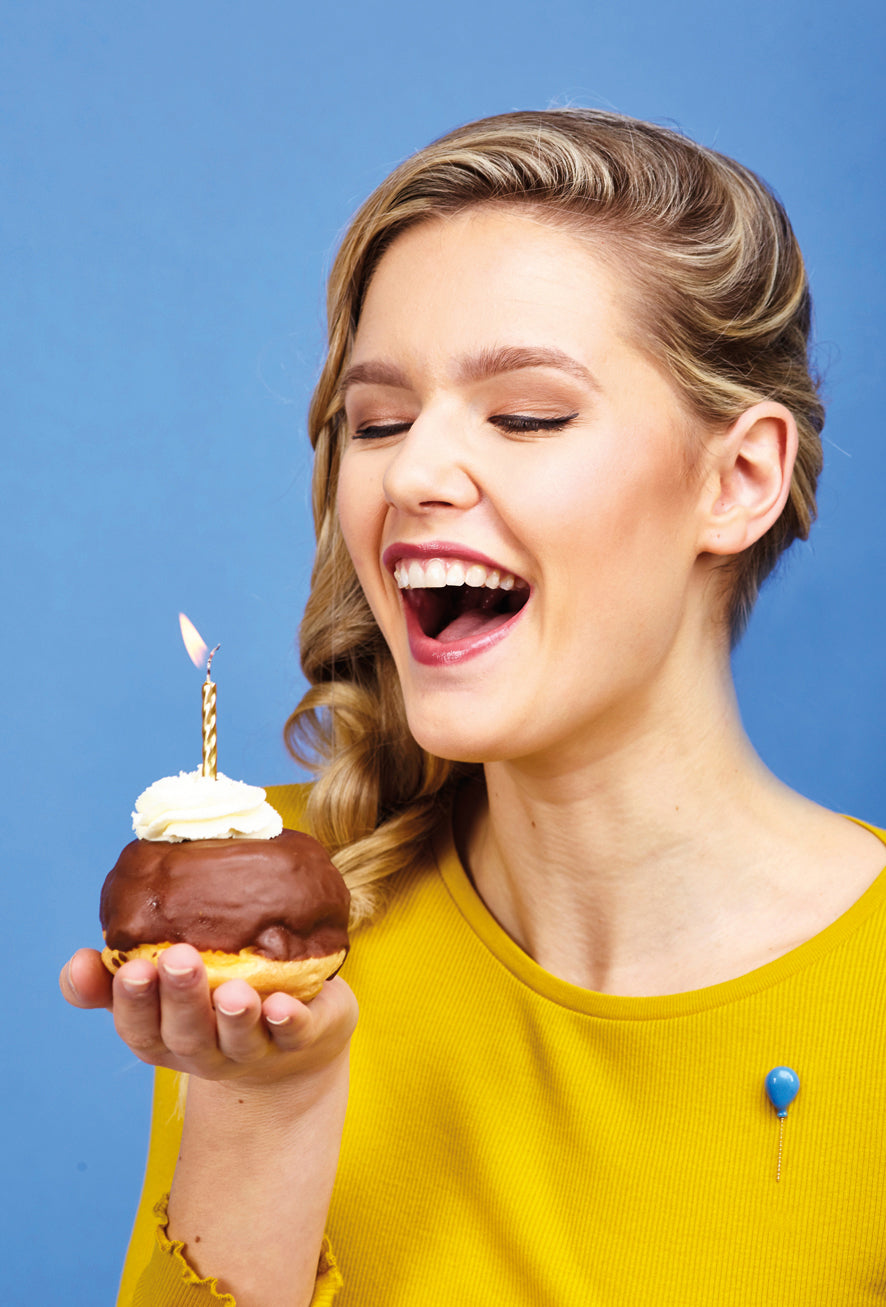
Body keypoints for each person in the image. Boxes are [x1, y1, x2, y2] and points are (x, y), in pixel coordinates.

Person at [62, 109, 886, 1306]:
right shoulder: (278, 929)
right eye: (378, 421)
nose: (411, 474)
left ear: (738, 478)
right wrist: (265, 1107)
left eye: (526, 415)